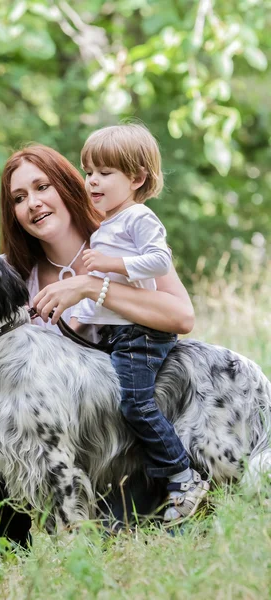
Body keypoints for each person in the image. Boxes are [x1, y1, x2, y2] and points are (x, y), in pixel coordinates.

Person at [0, 142, 196, 555]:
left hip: (122, 437)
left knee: (122, 543)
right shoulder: (15, 279)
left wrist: (94, 287)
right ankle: (2, 551)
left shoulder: (122, 242)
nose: (34, 204)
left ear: (66, 186)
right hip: (64, 440)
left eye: (42, 187)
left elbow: (181, 316)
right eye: (19, 198)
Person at [73, 124, 209, 523]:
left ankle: (183, 476)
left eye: (105, 172)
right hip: (122, 330)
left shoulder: (138, 217)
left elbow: (159, 261)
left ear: (136, 178)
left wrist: (110, 264)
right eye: (88, 172)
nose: (92, 181)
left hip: (143, 334)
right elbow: (105, 297)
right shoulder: (109, 224)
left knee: (135, 404)